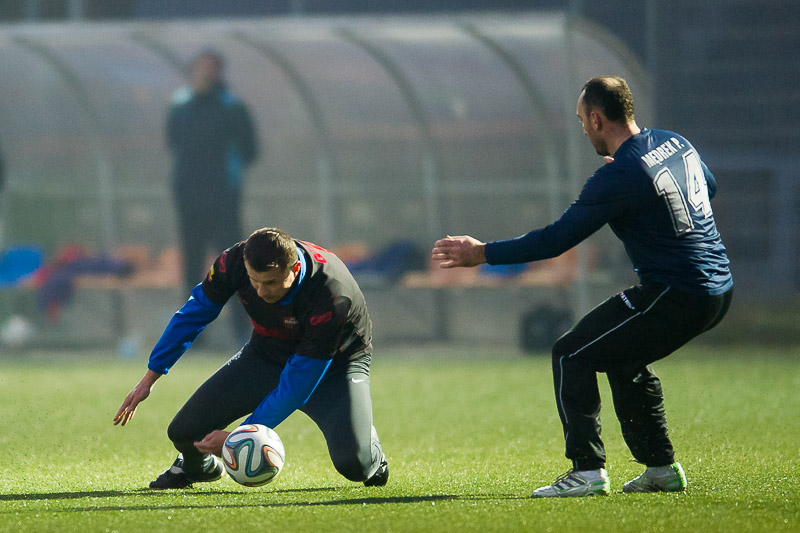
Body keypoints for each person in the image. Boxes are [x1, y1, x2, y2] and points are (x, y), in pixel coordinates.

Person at [432, 76, 732, 498]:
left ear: (596, 117)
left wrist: (482, 253)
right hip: (718, 288)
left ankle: (587, 472)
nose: (583, 130)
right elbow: (709, 186)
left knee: (571, 353)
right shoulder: (674, 142)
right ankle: (661, 470)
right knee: (622, 360)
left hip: (677, 293)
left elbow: (555, 240)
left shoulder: (619, 175)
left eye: (581, 121)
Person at [114, 227, 389, 489]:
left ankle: (368, 444)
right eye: (253, 281)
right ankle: (198, 468)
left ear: (294, 270)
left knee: (355, 465)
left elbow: (298, 382)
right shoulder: (233, 261)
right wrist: (151, 376)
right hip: (266, 354)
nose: (260, 291)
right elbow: (194, 313)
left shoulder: (331, 294)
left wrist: (237, 440)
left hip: (335, 367)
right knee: (184, 432)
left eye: (270, 282)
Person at [167, 49, 259, 318]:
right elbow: (174, 146)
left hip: (223, 200)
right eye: (201, 68)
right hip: (189, 200)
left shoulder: (232, 108)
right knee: (192, 266)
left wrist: (227, 179)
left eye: (211, 68)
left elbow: (249, 151)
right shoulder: (180, 107)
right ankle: (192, 334)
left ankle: (243, 329)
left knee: (231, 265)